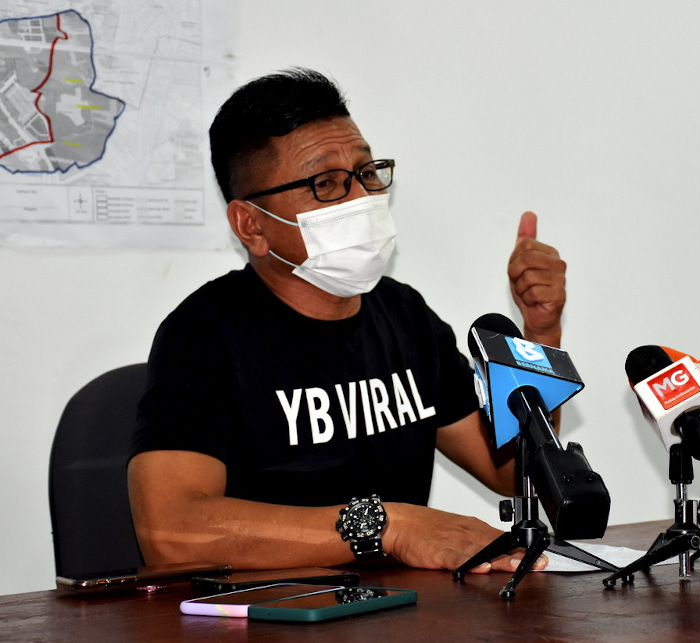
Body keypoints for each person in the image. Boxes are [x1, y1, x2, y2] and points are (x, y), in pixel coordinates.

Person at [127, 68, 567, 574]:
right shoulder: (204, 334)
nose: (361, 198)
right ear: (251, 225)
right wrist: (386, 526)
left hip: (402, 606)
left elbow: (516, 473)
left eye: (367, 172)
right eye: (326, 184)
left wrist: (540, 335)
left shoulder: (405, 316)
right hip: (271, 608)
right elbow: (169, 532)